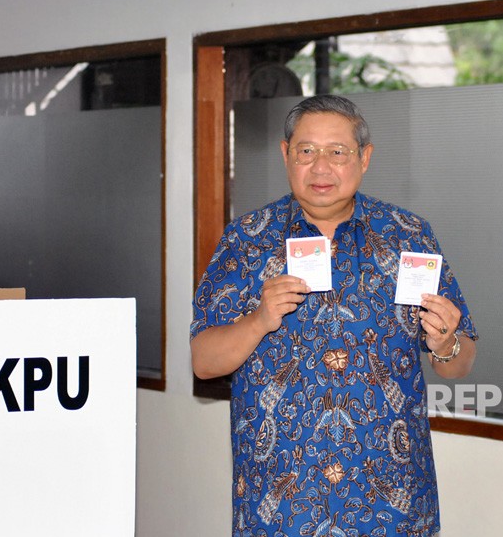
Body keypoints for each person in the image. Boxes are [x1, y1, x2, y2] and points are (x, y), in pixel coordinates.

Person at [191, 95, 477, 536]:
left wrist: (446, 343)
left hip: (390, 501)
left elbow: (460, 364)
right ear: (286, 155)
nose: (320, 167)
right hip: (282, 503)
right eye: (306, 151)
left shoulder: (408, 236)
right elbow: (203, 361)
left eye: (337, 152)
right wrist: (259, 319)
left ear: (364, 158)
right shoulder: (246, 240)